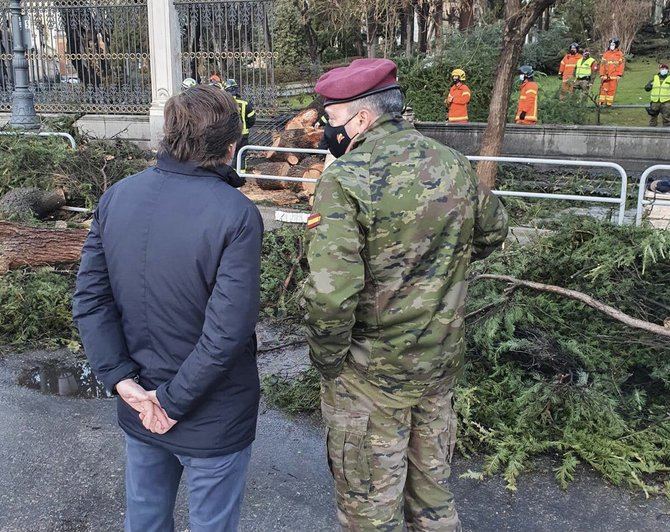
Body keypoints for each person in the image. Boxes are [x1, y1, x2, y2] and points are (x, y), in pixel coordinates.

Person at [303, 58, 509, 531]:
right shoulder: (452, 163)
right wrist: (440, 272)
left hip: (369, 377)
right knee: (433, 498)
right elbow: (493, 232)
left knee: (371, 509)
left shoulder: (345, 178)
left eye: (330, 119)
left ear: (360, 118)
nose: (325, 129)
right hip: (438, 364)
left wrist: (330, 361)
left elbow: (332, 296)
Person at [72, 85, 263, 532]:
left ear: (167, 134)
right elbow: (227, 333)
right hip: (209, 413)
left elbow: (90, 300)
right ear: (232, 145)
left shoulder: (118, 196)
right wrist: (169, 402)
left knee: (145, 519)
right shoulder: (236, 213)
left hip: (140, 401)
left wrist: (121, 381)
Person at [223, 78, 256, 168]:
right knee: (241, 155)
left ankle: (230, 175)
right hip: (243, 134)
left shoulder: (224, 104)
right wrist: (246, 126)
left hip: (228, 135)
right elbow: (251, 118)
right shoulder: (245, 103)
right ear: (236, 89)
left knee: (227, 156)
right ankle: (241, 175)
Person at [598, 37, 625, 107]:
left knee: (611, 90)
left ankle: (609, 104)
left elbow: (621, 65)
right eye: (611, 44)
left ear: (616, 45)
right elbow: (602, 65)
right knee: (603, 89)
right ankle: (601, 103)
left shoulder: (619, 54)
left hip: (614, 76)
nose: (611, 46)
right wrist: (601, 74)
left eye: (613, 44)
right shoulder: (606, 54)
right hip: (605, 76)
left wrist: (619, 75)